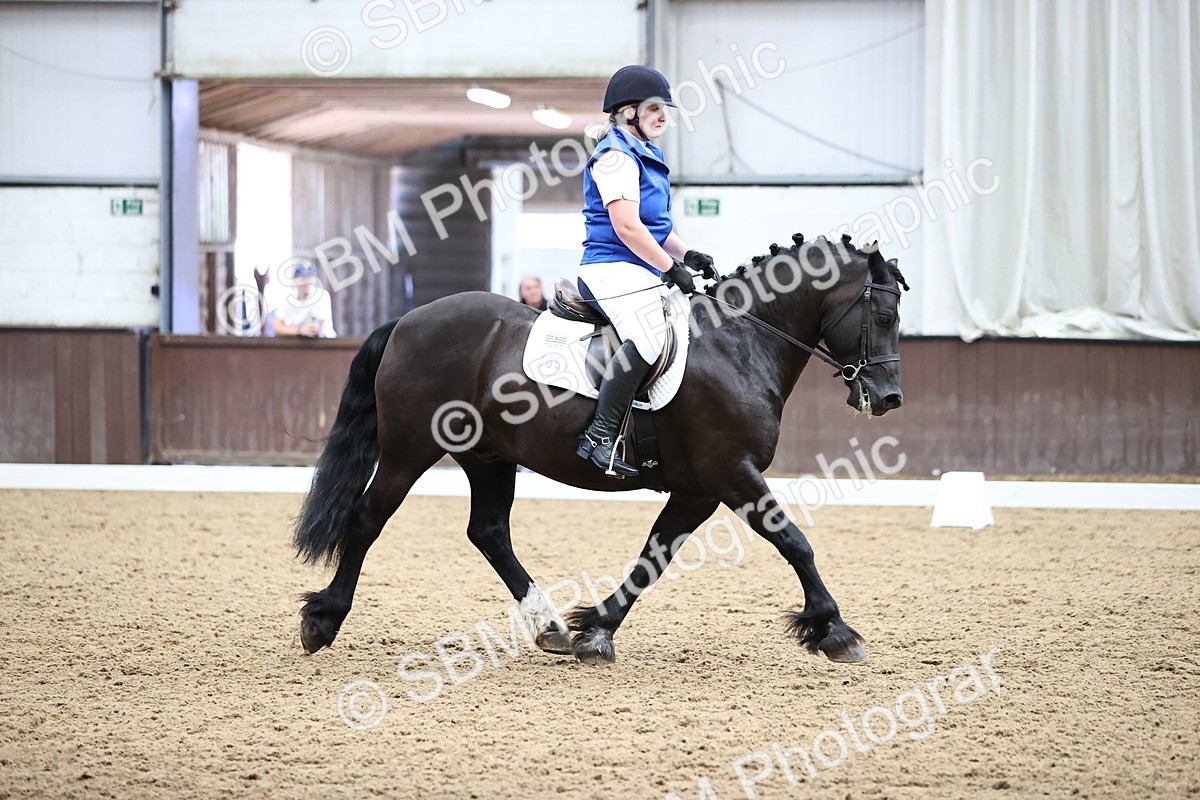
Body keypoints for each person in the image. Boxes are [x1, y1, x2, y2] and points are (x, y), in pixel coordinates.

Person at [575, 65, 717, 478]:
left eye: (665, 110)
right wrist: (670, 267)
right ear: (627, 112)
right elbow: (626, 227)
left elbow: (658, 226)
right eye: (655, 108)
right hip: (610, 267)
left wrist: (688, 255)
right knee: (649, 336)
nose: (663, 117)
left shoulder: (646, 154)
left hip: (639, 268)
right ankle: (599, 437)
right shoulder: (616, 157)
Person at [272, 262, 337, 338]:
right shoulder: (289, 298)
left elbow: (321, 326)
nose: (307, 282)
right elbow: (277, 327)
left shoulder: (322, 295)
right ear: (295, 281)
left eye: (309, 278)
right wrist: (299, 330)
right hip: (298, 343)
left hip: (324, 342)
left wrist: (313, 329)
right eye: (303, 279)